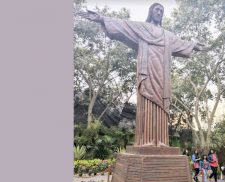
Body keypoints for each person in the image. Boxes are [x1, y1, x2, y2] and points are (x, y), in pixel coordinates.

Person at [79, 3, 207, 147]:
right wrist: (101, 18)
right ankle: (146, 141)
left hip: (162, 77)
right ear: (150, 12)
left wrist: (194, 45)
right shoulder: (142, 28)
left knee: (161, 105)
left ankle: (161, 142)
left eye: (161, 11)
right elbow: (123, 25)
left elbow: (181, 43)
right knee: (147, 103)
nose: (159, 12)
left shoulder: (167, 35)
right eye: (156, 9)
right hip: (147, 72)